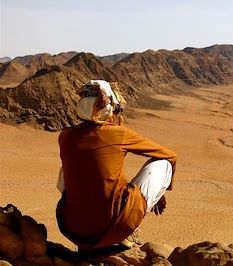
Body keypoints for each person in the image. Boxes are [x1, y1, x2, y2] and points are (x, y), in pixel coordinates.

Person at [56, 80, 177, 251]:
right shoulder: (118, 134)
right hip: (112, 228)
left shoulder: (65, 136)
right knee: (163, 163)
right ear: (108, 107)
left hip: (73, 229)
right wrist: (160, 193)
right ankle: (126, 231)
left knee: (70, 166)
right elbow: (170, 155)